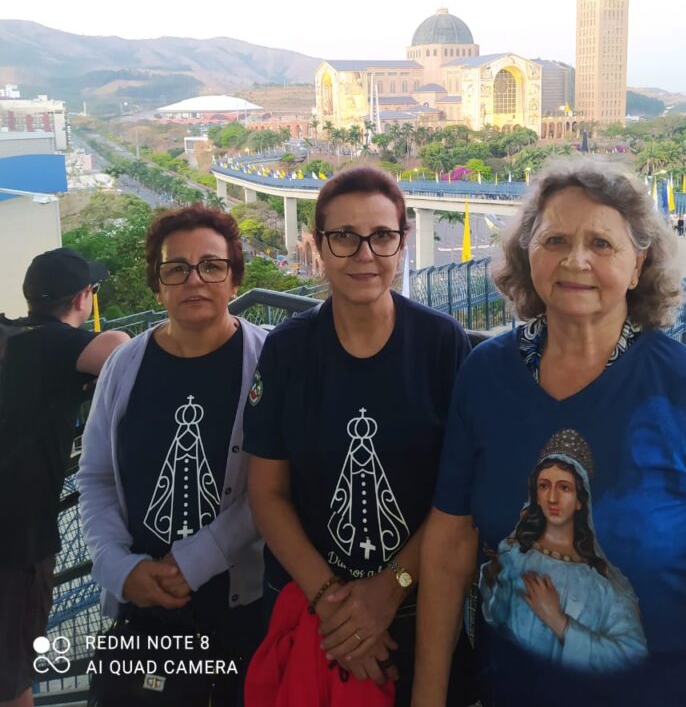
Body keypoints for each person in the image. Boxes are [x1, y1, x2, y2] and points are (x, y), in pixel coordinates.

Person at [413, 159, 686, 707]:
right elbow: (449, 545)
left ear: (637, 264)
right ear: (527, 253)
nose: (575, 260)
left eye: (601, 243)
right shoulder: (485, 377)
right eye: (555, 240)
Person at [244, 167, 474, 706]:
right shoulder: (288, 351)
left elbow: (459, 497)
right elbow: (267, 493)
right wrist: (335, 606)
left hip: (423, 612)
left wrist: (388, 592)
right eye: (344, 236)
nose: (364, 254)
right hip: (316, 618)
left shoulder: (441, 344)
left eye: (381, 235)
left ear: (402, 241)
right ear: (319, 245)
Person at [78, 206, 267, 705]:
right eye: (176, 268)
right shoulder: (124, 365)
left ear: (234, 279)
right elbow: (96, 477)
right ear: (158, 285)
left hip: (238, 611)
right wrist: (118, 567)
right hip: (142, 607)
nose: (194, 280)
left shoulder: (269, 362)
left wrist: (194, 561)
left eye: (212, 266)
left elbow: (273, 485)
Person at [0, 249, 129, 707]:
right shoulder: (58, 345)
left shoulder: (12, 335)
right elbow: (122, 350)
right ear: (82, 298)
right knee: (12, 676)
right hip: (17, 540)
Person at [482, 429, 647, 672]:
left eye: (564, 487)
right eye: (544, 486)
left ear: (580, 499)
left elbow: (632, 653)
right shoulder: (513, 555)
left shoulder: (602, 584)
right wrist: (494, 578)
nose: (552, 498)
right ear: (535, 494)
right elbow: (494, 622)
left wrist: (559, 622)